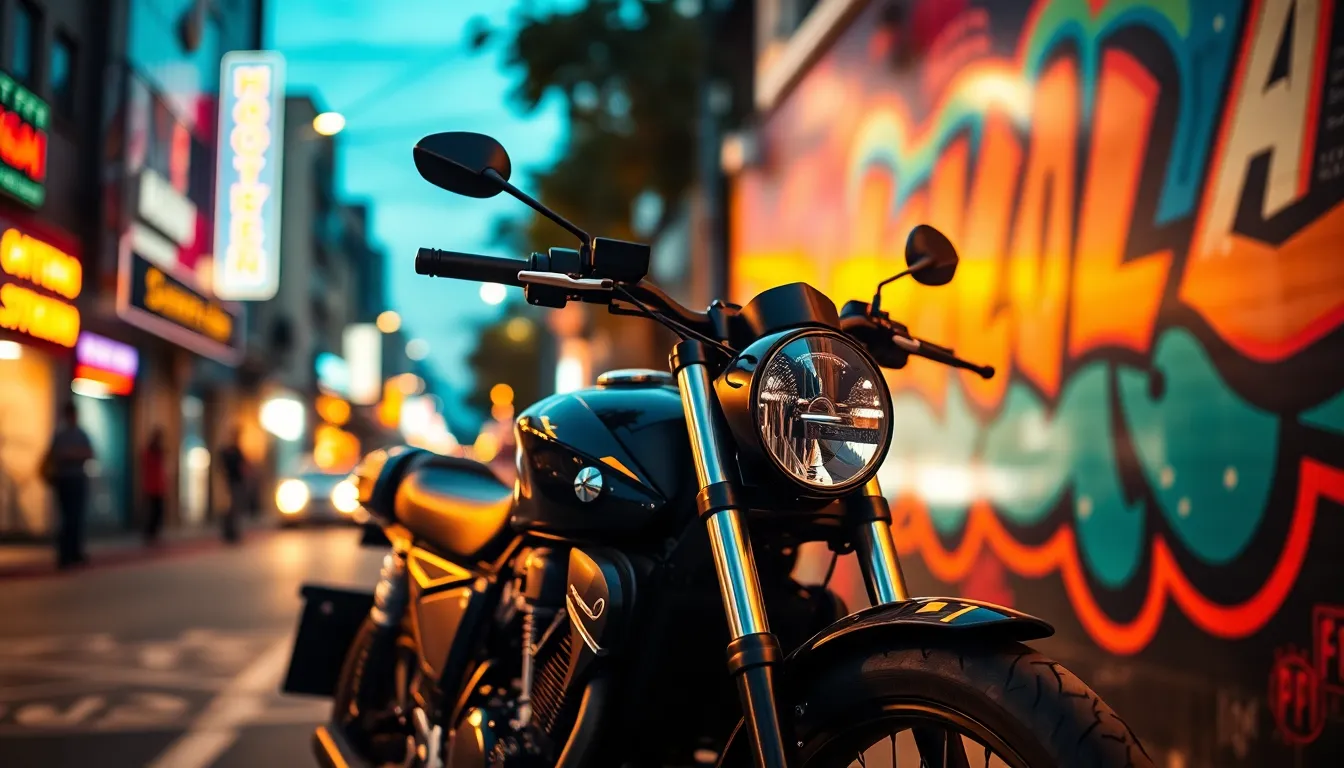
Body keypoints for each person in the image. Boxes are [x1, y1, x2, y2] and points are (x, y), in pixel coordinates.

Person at [42, 402, 94, 569]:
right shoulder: (61, 435)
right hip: (64, 480)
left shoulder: (81, 434)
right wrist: (73, 454)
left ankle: (75, 551)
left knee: (77, 517)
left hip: (78, 479)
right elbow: (56, 454)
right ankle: (64, 554)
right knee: (66, 517)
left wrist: (71, 454)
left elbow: (89, 453)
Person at [218, 430, 247, 543]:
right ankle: (230, 532)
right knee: (232, 508)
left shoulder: (236, 450)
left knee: (235, 508)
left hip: (235, 482)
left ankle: (233, 532)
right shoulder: (229, 451)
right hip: (232, 482)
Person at [141, 428, 168, 545]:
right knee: (152, 511)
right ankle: (149, 532)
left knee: (158, 511)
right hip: (152, 486)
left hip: (158, 486)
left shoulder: (158, 452)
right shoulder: (150, 452)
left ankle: (154, 532)